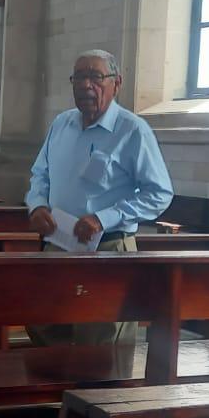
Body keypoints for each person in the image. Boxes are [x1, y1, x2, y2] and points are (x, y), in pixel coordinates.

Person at [25, 49, 174, 346]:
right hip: (59, 242)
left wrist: (103, 218)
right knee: (45, 330)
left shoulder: (132, 131)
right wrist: (37, 204)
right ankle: (55, 393)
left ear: (116, 83)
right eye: (79, 77)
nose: (85, 85)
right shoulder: (61, 124)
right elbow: (40, 173)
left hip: (107, 249)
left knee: (102, 345)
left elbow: (159, 193)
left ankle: (100, 393)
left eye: (95, 77)